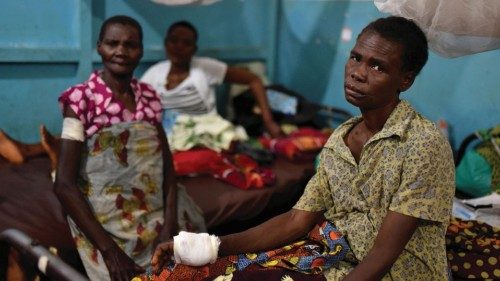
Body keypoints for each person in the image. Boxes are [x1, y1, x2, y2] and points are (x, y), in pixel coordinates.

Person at [151, 16, 455, 280]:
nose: (357, 72)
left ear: (405, 80)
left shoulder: (421, 143)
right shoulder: (341, 139)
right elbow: (297, 219)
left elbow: (383, 255)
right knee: (198, 271)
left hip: (396, 272)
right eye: (356, 57)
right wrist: (210, 246)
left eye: (377, 66)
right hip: (338, 256)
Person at [53, 15, 204, 281]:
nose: (121, 51)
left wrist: (169, 226)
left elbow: (166, 166)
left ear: (141, 51)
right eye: (113, 43)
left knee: (193, 265)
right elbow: (64, 184)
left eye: (130, 45)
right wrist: (110, 252)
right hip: (107, 219)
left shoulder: (149, 97)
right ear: (99, 47)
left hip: (154, 209)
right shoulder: (80, 100)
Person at [140, 20, 283, 153]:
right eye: (174, 40)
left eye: (186, 43)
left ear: (194, 49)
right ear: (166, 43)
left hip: (206, 133)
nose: (179, 46)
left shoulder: (206, 68)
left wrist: (269, 122)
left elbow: (254, 80)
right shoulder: (154, 74)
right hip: (168, 137)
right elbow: (137, 106)